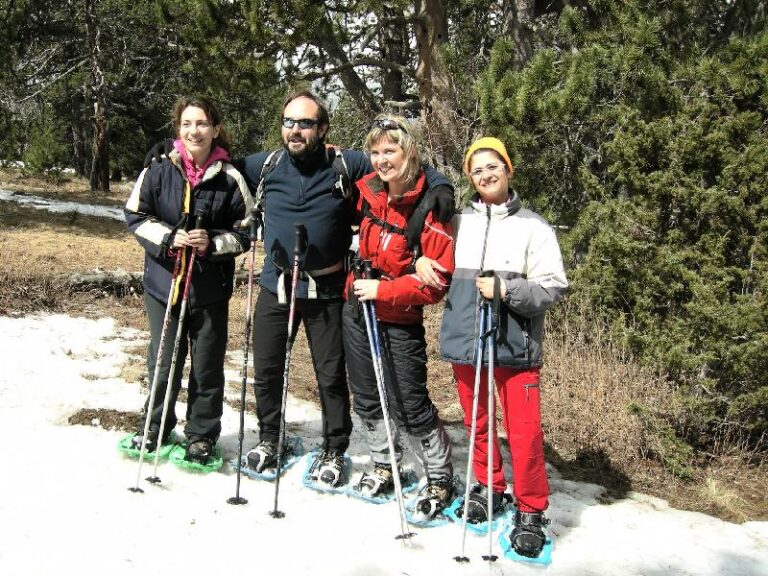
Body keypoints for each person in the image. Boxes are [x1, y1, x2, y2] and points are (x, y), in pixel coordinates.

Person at [239, 91, 455, 487]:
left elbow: (403, 162)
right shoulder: (266, 164)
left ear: (322, 128)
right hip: (277, 285)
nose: (295, 130)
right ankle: (270, 438)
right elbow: (219, 165)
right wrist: (169, 150)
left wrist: (440, 187)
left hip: (327, 287)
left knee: (330, 375)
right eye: (289, 122)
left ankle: (334, 448)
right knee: (268, 370)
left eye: (305, 123)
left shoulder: (347, 162)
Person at [419, 137, 567, 557]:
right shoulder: (458, 222)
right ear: (469, 177)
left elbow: (553, 286)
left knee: (524, 433)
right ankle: (489, 486)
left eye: (493, 166)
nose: (485, 175)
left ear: (508, 168)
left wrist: (507, 289)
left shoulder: (533, 226)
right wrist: (420, 262)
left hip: (515, 348)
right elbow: (433, 257)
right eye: (477, 169)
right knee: (478, 423)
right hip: (468, 345)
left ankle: (532, 508)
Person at [125, 95, 252, 464]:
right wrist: (168, 238)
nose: (194, 130)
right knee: (163, 361)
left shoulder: (230, 178)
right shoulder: (158, 168)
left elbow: (244, 231)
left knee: (207, 365)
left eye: (201, 124)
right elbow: (135, 216)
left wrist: (212, 243)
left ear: (215, 129)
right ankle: (155, 426)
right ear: (177, 128)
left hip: (209, 290)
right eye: (186, 124)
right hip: (164, 286)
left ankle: (201, 436)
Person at [342, 114, 456, 517]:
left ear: (409, 151)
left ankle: (441, 476)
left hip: (398, 316)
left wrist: (385, 288)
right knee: (368, 395)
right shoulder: (367, 193)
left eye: (390, 150)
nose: (381, 159)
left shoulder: (431, 207)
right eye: (374, 151)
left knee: (409, 401)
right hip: (357, 308)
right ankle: (383, 462)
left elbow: (436, 284)